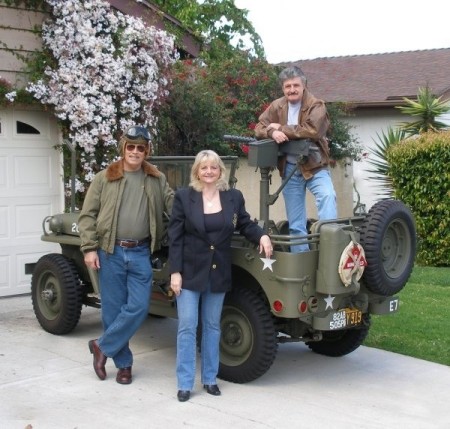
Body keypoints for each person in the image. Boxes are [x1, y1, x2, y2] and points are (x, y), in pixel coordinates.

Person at [168, 150, 272, 402]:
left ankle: (210, 379)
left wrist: (262, 235)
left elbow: (245, 224)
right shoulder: (184, 197)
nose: (209, 172)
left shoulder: (233, 197)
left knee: (213, 327)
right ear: (197, 171)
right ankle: (184, 383)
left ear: (220, 171)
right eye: (204, 168)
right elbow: (175, 237)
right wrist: (175, 272)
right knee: (187, 327)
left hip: (218, 273)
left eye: (213, 167)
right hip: (189, 272)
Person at [78, 125, 174, 385]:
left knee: (139, 307)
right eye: (130, 147)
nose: (134, 151)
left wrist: (207, 203)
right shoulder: (105, 177)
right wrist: (89, 248)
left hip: (141, 252)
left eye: (140, 148)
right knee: (112, 311)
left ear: (146, 151)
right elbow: (87, 216)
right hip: (111, 252)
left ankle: (101, 346)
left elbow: (175, 206)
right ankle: (124, 365)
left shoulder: (157, 179)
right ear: (123, 148)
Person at [255, 66, 337, 252]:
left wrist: (281, 129)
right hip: (290, 167)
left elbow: (313, 130)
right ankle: (301, 265)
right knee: (296, 223)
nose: (292, 89)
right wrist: (271, 131)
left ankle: (330, 247)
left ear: (304, 85)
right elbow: (259, 126)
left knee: (327, 196)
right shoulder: (277, 105)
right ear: (283, 88)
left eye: (295, 85)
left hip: (315, 166)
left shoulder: (317, 105)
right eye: (287, 86)